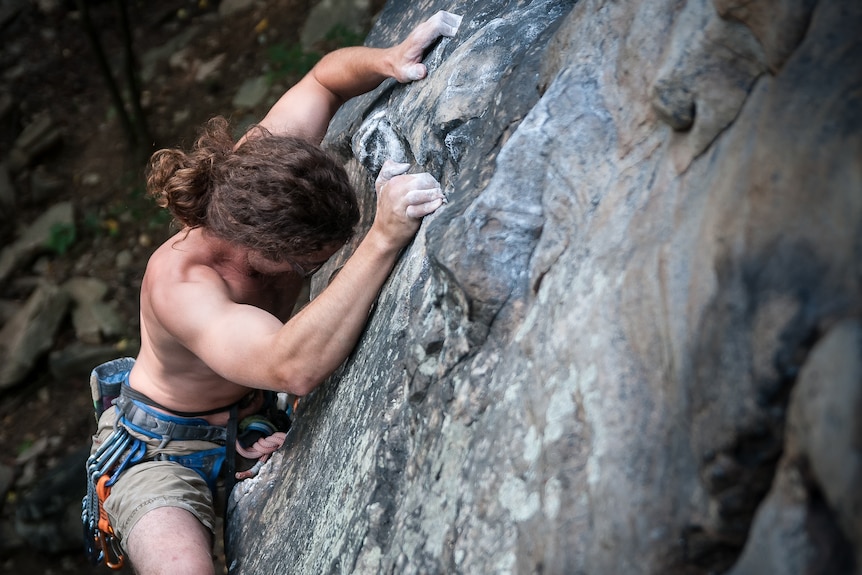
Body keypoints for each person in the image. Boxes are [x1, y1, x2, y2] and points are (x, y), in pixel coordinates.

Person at [85, 10, 462, 574]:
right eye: (308, 260)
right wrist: (382, 237)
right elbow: (292, 366)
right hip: (160, 451)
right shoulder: (183, 282)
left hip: (253, 412)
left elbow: (323, 80)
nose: (323, 263)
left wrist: (389, 60)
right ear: (250, 247)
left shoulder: (265, 167)